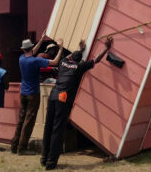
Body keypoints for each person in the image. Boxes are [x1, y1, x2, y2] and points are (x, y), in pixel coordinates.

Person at [41, 37, 113, 170]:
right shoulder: (79, 66)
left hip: (53, 95)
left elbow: (71, 56)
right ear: (79, 60)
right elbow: (95, 60)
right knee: (57, 129)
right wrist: (106, 48)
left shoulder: (63, 62)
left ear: (70, 58)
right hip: (63, 98)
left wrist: (79, 49)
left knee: (48, 127)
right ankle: (51, 163)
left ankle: (44, 158)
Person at [10, 35, 62, 155]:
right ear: (31, 47)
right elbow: (55, 62)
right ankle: (22, 148)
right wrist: (60, 49)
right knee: (29, 121)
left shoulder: (21, 58)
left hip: (23, 93)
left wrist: (42, 39)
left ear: (23, 49)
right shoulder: (36, 61)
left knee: (21, 120)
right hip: (33, 94)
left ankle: (14, 145)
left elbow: (31, 52)